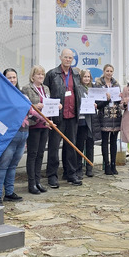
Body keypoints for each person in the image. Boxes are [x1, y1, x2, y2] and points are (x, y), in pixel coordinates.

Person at [0, 68, 29, 205]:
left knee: (13, 166)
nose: (12, 80)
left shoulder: (22, 94)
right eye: (9, 77)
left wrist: (46, 121)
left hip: (23, 133)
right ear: (4, 79)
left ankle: (9, 192)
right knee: (2, 165)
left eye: (14, 77)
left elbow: (30, 111)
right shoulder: (0, 96)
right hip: (8, 136)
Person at [45, 49, 83, 187]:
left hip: (72, 116)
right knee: (54, 147)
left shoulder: (76, 74)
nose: (68, 59)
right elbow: (46, 95)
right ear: (60, 58)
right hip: (57, 117)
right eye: (66, 57)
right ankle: (52, 175)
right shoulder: (52, 74)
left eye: (70, 57)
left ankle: (70, 174)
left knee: (71, 146)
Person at [22, 65, 49, 195]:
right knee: (32, 154)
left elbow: (49, 103)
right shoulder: (27, 88)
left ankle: (38, 181)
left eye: (42, 74)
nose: (40, 76)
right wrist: (34, 106)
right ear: (32, 76)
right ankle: (31, 183)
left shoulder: (46, 88)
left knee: (40, 154)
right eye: (38, 74)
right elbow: (24, 106)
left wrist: (57, 105)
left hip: (45, 124)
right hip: (33, 125)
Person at [97, 64, 123, 176]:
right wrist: (106, 100)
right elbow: (98, 103)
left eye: (111, 71)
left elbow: (119, 101)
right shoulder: (98, 84)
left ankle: (113, 163)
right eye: (107, 71)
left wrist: (120, 98)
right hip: (104, 115)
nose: (109, 73)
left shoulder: (116, 84)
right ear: (104, 71)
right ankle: (106, 164)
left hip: (116, 115)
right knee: (105, 141)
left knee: (114, 141)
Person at [76, 69, 97, 177]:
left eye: (88, 77)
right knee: (79, 145)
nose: (87, 79)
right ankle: (79, 168)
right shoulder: (78, 88)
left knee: (90, 145)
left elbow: (98, 101)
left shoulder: (93, 89)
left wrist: (95, 104)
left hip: (91, 120)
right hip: (81, 120)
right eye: (85, 77)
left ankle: (89, 167)